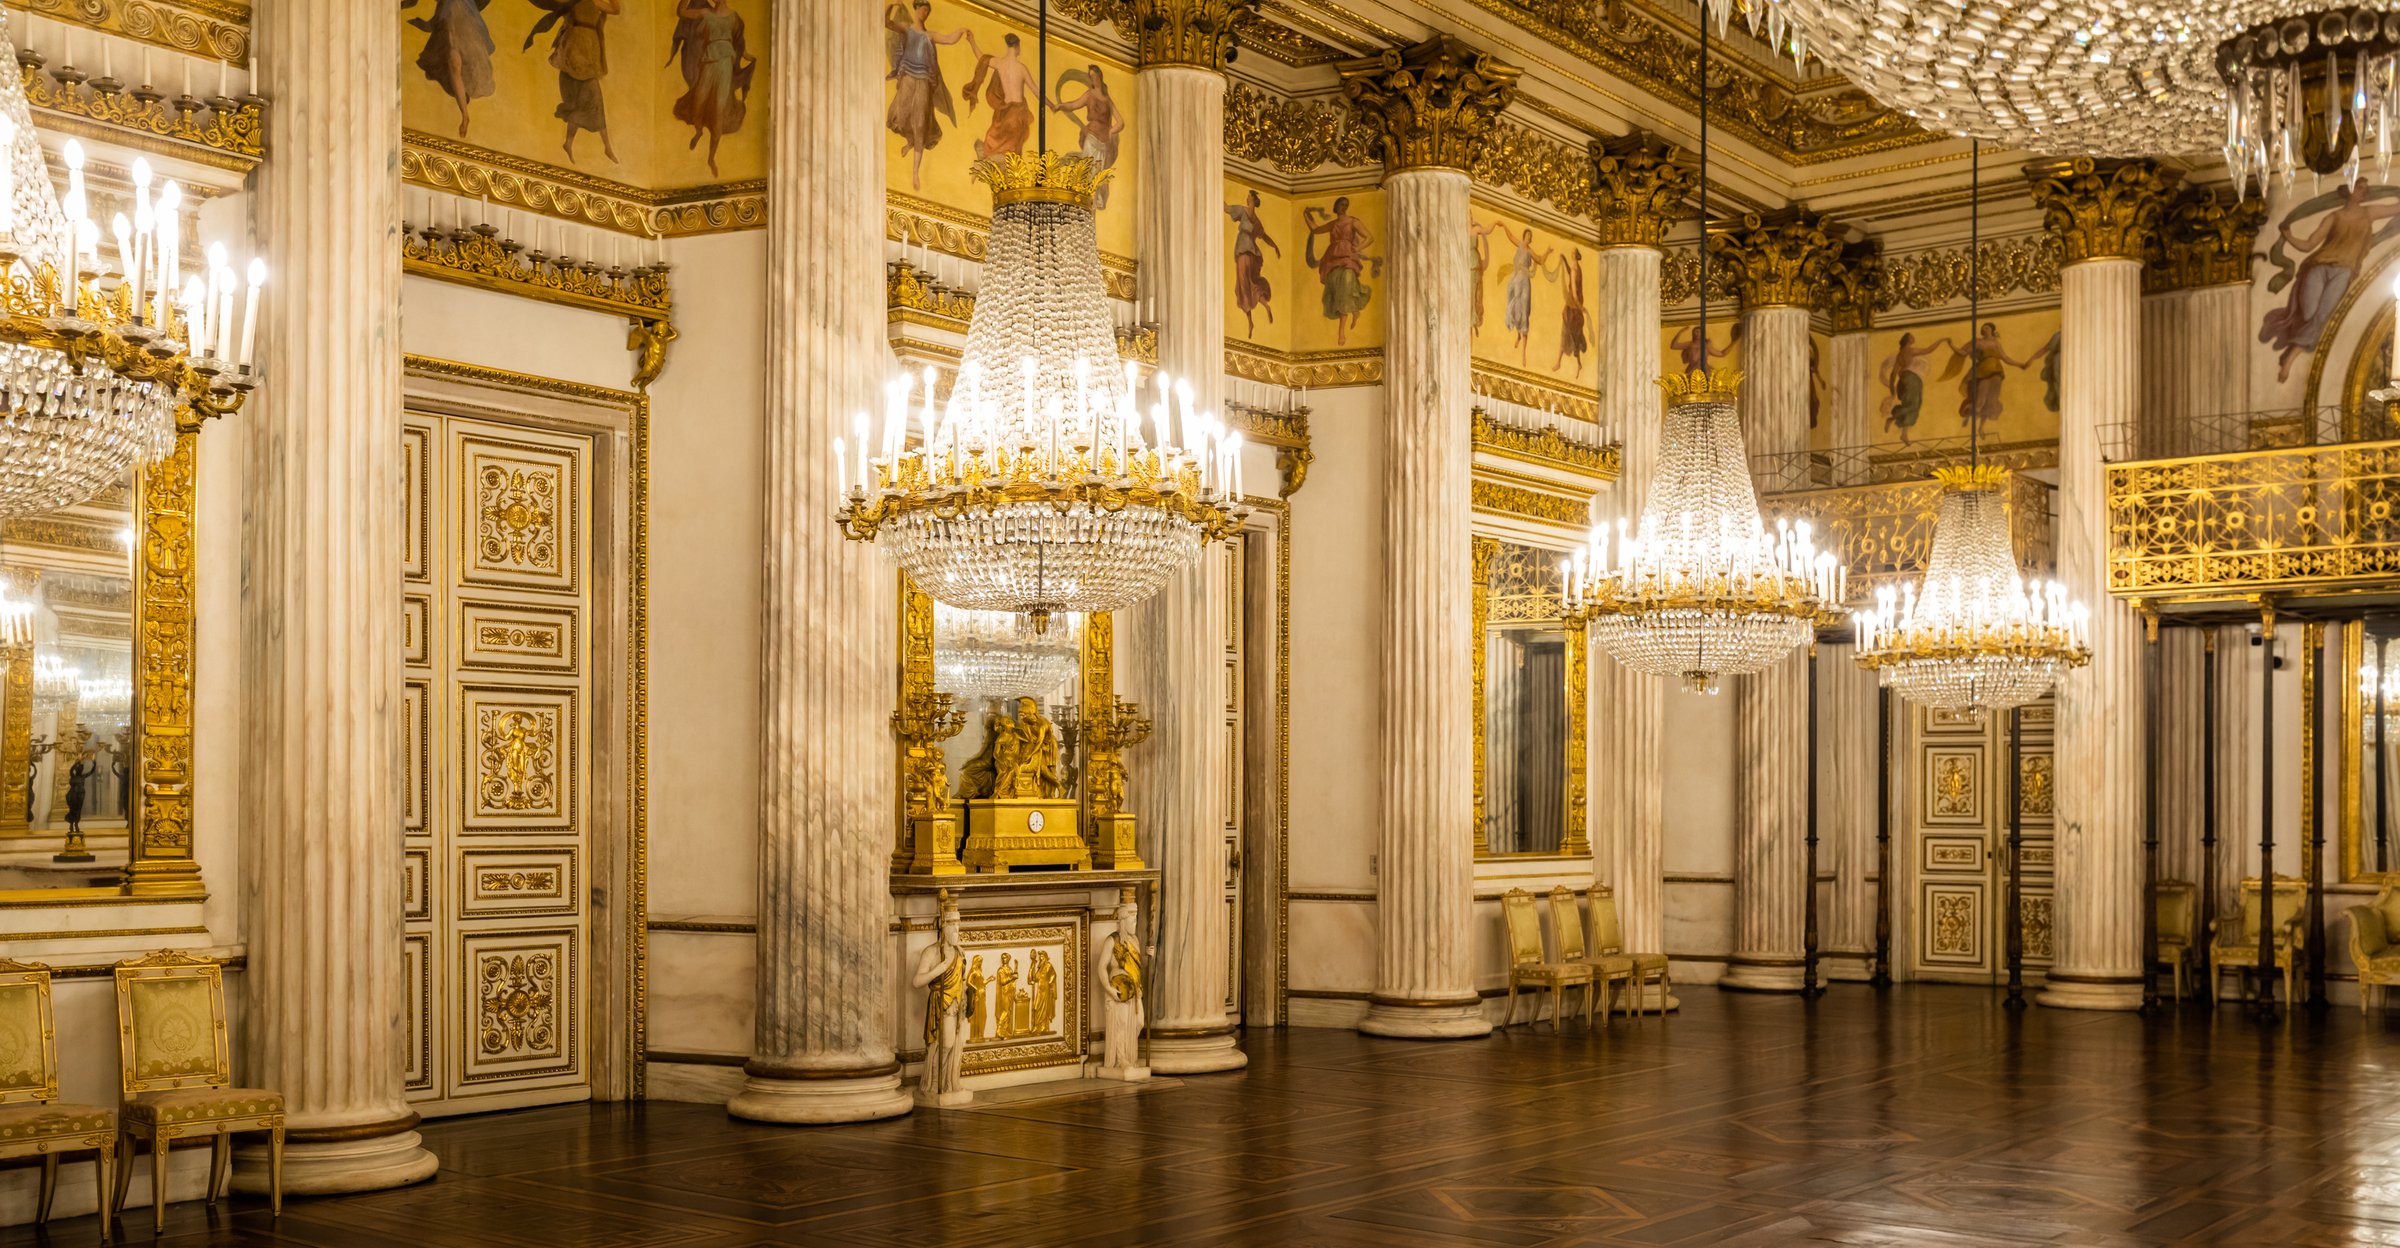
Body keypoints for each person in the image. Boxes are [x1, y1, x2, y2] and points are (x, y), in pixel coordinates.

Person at [2260, 182, 2400, 382]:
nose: (2365, 191)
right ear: (2348, 190)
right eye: (2359, 187)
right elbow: (2309, 244)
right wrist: (2288, 236)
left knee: (2322, 315)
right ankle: (2293, 340)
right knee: (2308, 313)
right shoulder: (2334, 217)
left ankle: (2289, 359)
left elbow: (2395, 209)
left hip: (2343, 271)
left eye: (2365, 189)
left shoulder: (2369, 213)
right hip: (2319, 267)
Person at [884, 1, 968, 191]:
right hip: (907, 76)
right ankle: (910, 141)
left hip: (923, 80)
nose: (925, 14)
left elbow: (949, 39)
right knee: (900, 115)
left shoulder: (929, 35)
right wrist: (892, 4)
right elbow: (886, 22)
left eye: (927, 12)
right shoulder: (907, 29)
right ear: (916, 9)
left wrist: (961, 31)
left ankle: (915, 171)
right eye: (923, 10)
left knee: (921, 122)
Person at [525, 0, 620, 164]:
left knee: (583, 102)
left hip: (590, 51)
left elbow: (615, 9)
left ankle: (571, 143)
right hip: (575, 49)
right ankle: (606, 146)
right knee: (591, 99)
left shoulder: (595, 2)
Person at [668, 0, 754, 176]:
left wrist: (747, 56)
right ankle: (699, 131)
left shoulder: (734, 18)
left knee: (718, 113)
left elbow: (739, 43)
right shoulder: (704, 13)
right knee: (697, 105)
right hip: (708, 63)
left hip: (725, 66)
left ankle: (711, 158)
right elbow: (681, 12)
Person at [910, 896, 970, 1105]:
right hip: (941, 1004)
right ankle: (934, 1082)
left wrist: (967, 996)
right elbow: (917, 981)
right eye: (952, 926)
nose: (956, 931)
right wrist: (939, 969)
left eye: (958, 925)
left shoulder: (960, 952)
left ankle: (948, 1083)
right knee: (944, 1044)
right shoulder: (932, 952)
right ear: (943, 927)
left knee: (956, 1046)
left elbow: (962, 979)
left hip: (957, 1005)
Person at [405, 0, 495, 138]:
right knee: (454, 65)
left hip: (456, 34)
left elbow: (437, 19)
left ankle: (464, 114)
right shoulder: (453, 6)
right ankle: (465, 115)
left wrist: (423, 24)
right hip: (457, 34)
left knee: (454, 65)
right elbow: (439, 17)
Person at [1304, 197, 1376, 346]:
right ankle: (1354, 311)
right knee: (1337, 290)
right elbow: (1316, 229)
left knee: (1346, 285)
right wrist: (1305, 215)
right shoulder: (1333, 224)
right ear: (1336, 207)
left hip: (1347, 256)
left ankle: (1341, 332)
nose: (1343, 207)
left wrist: (1357, 248)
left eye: (1345, 205)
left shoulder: (1353, 221)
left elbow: (1369, 237)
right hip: (1333, 257)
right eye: (1340, 204)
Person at [1050, 66, 1123, 206]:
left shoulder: (1107, 100)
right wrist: (1060, 106)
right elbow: (1073, 105)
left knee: (1098, 179)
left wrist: (1111, 132)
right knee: (1088, 174)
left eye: (1095, 76)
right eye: (1091, 77)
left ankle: (1091, 208)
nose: (1093, 79)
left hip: (1104, 143)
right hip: (1091, 138)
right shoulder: (1089, 95)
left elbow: (1120, 122)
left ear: (1100, 77)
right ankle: (1084, 206)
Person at [965, 32, 1042, 160]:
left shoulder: (999, 63)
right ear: (1017, 47)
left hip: (1004, 112)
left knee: (994, 141)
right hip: (1016, 113)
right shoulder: (1021, 68)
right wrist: (1052, 105)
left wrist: (972, 41)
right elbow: (1036, 90)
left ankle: (992, 158)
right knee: (1010, 150)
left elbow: (981, 58)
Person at [1099, 889, 1146, 1076]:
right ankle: (1121, 1059)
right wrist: (1109, 989)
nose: (1135, 923)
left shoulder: (1135, 940)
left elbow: (1137, 965)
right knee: (1121, 1025)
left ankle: (1130, 1056)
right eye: (1133, 920)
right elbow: (1101, 967)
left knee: (1138, 1023)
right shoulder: (1112, 941)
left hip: (1134, 989)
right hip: (1119, 989)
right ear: (1124, 920)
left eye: (1136, 919)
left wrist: (1148, 954)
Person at [1879, 331, 1953, 445]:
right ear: (1908, 340)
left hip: (1903, 381)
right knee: (1914, 405)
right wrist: (1941, 340)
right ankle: (1892, 418)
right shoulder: (1910, 350)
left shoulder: (1900, 355)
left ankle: (1904, 433)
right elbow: (1929, 350)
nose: (1913, 338)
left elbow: (1893, 374)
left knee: (1912, 406)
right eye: (1911, 337)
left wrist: (1893, 391)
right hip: (1911, 380)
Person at [1495, 221, 1551, 364]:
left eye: (1530, 237)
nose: (1529, 238)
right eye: (1528, 235)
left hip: (1525, 281)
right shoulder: (1520, 245)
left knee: (1524, 311)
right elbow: (1510, 236)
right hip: (1516, 279)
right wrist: (1503, 225)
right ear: (1524, 236)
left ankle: (1523, 354)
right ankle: (1518, 336)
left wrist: (1547, 252)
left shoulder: (1530, 251)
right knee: (1515, 307)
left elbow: (1540, 260)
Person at [1226, 191, 1280, 336]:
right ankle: (1264, 307)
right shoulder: (1257, 221)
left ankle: (1250, 321)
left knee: (1243, 286)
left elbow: (1226, 208)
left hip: (1244, 252)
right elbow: (1265, 237)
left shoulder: (1243, 211)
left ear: (1252, 199)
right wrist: (1275, 247)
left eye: (1249, 196)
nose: (1247, 197)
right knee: (1250, 283)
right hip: (1253, 255)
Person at [1553, 249, 1589, 377]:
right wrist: (1564, 261)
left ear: (1575, 256)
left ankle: (1558, 362)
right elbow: (1571, 273)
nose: (1571, 254)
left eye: (1572, 253)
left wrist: (1580, 307)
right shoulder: (1577, 268)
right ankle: (1578, 363)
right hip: (1576, 308)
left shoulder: (1574, 271)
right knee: (1575, 335)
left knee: (1565, 333)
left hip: (1572, 307)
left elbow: (1574, 294)